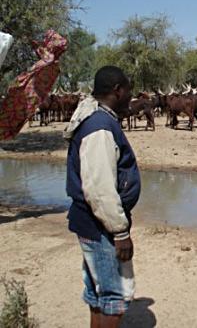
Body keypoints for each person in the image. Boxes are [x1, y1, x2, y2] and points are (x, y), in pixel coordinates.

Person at [64, 65, 141, 328]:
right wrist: (120, 232)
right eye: (129, 91)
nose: (132, 98)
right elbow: (99, 189)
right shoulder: (100, 126)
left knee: (99, 295)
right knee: (114, 299)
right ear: (118, 91)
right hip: (100, 227)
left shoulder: (96, 118)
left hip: (92, 223)